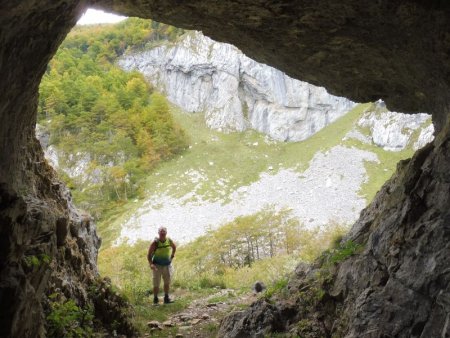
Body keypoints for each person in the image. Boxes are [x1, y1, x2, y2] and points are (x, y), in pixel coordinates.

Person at [147, 226, 176, 304]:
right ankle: (155, 299)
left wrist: (172, 254)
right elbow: (149, 255)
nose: (162, 233)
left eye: (164, 231)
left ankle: (166, 298)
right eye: (161, 231)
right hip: (157, 266)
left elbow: (174, 246)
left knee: (167, 282)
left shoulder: (169, 240)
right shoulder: (155, 243)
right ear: (158, 233)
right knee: (156, 283)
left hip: (167, 265)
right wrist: (151, 264)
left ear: (166, 233)